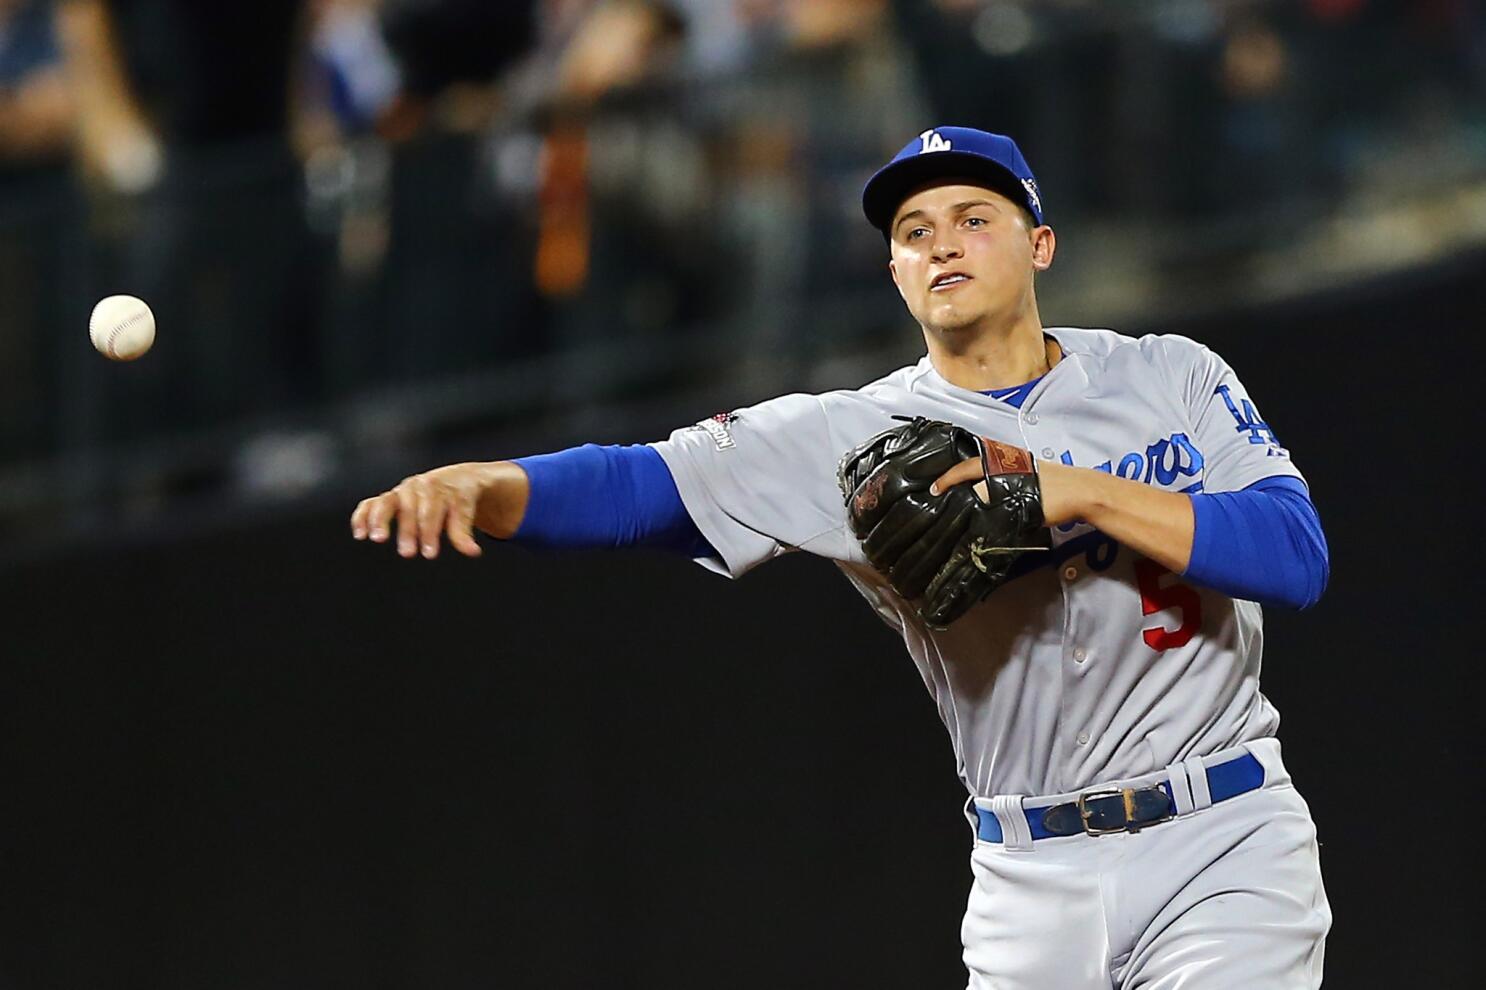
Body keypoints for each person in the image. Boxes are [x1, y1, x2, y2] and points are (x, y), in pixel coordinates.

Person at [351, 126, 1331, 988]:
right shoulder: (852, 436)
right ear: (896, 273)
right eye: (912, 232)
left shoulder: (1169, 374)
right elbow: (642, 484)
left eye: (971, 216)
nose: (940, 239)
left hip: (1221, 835)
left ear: (1040, 244)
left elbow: (1294, 557)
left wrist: (1070, 491)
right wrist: (487, 486)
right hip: (1031, 879)